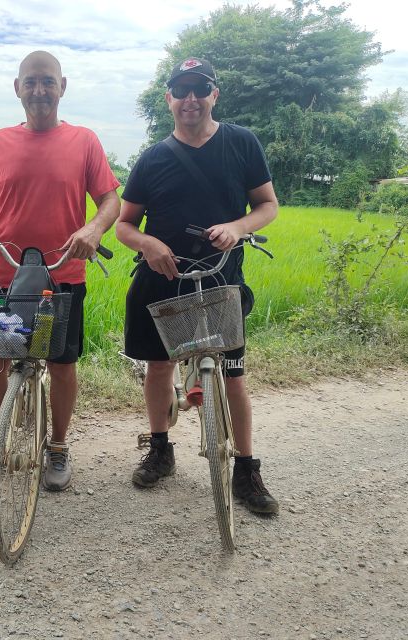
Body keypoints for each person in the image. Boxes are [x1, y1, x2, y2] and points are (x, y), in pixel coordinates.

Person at [115, 57, 280, 514]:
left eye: (199, 89)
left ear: (214, 95)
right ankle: (160, 448)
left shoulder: (241, 143)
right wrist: (148, 243)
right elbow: (124, 225)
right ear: (169, 99)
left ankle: (246, 469)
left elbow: (267, 205)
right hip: (163, 276)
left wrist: (238, 227)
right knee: (160, 367)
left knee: (233, 376)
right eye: (181, 90)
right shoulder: (152, 158)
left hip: (221, 275)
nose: (190, 99)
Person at [0, 51, 121, 491]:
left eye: (47, 82)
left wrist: (92, 229)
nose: (39, 91)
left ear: (62, 86)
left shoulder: (85, 141)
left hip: (62, 277)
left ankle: (58, 446)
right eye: (30, 82)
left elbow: (111, 200)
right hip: (3, 275)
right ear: (17, 88)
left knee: (62, 361)